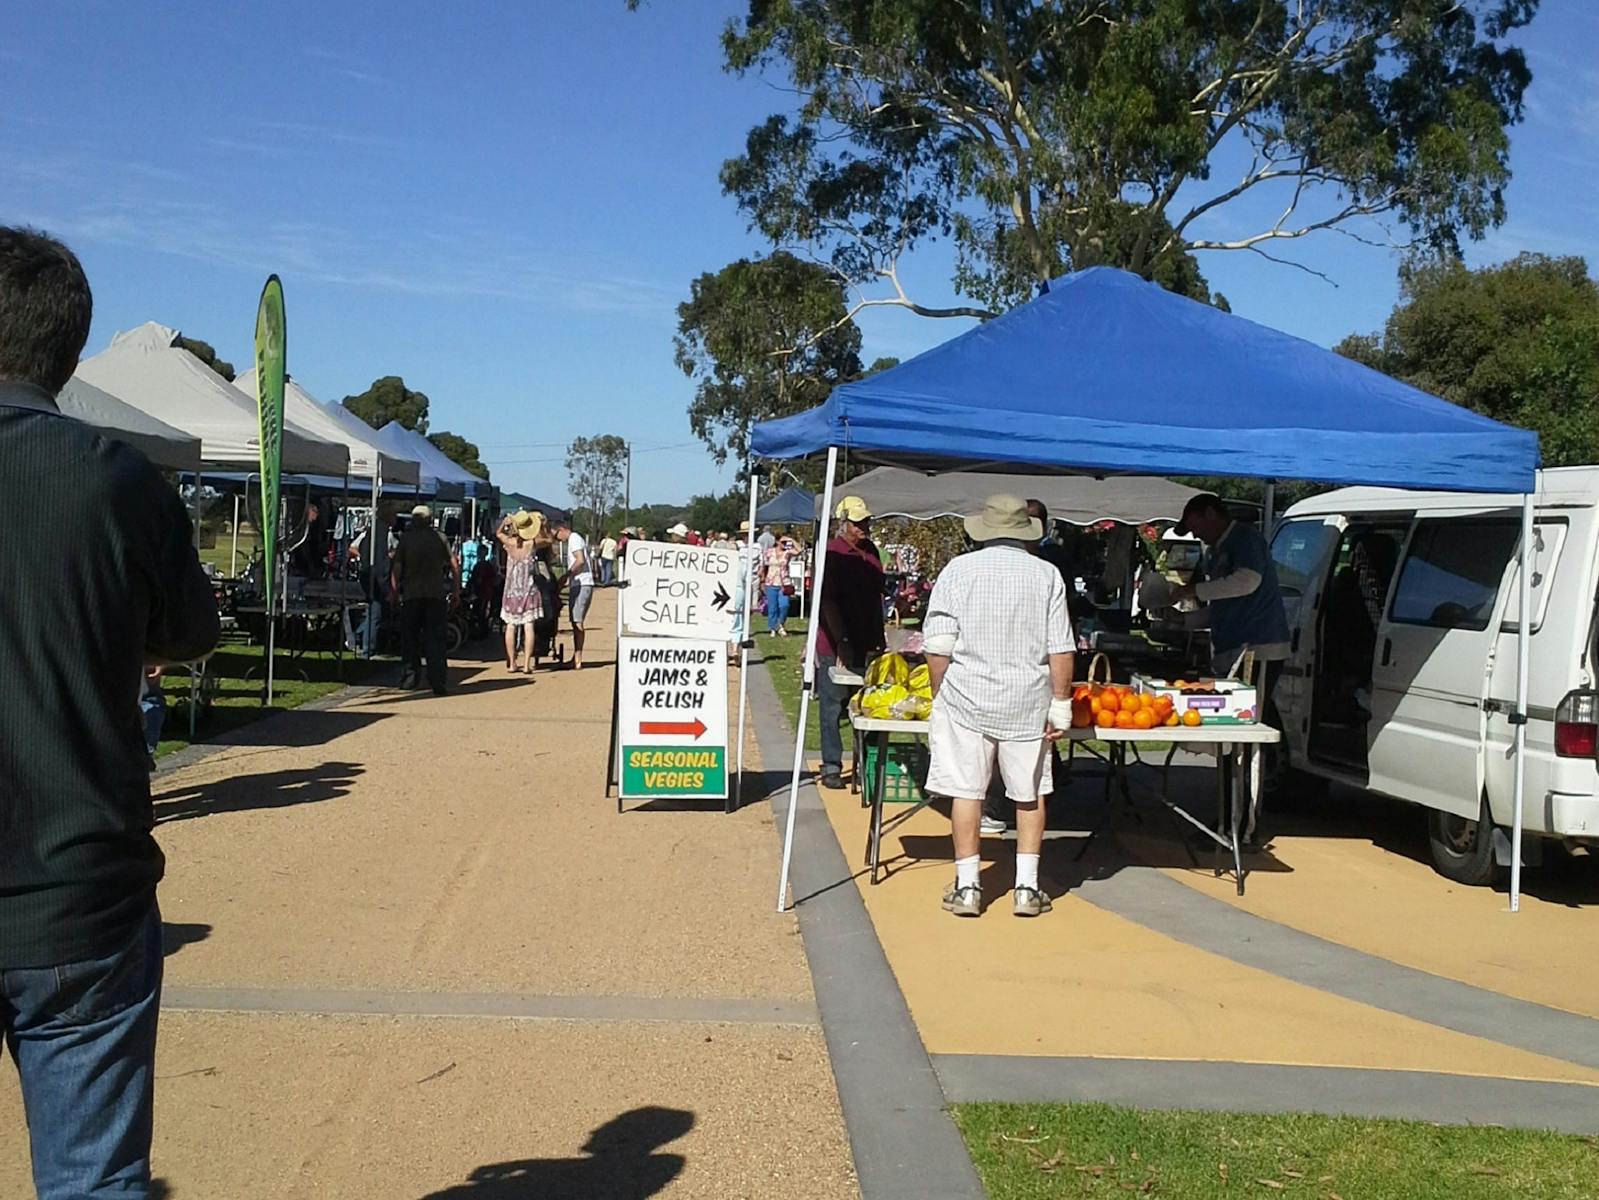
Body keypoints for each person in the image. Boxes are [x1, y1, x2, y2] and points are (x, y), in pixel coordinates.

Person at [0, 226, 221, 1198]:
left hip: (77, 889)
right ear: (70, 352)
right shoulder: (121, 481)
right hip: (81, 891)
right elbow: (191, 634)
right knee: (93, 1181)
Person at [922, 495, 1075, 919]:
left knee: (967, 791)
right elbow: (1061, 647)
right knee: (1029, 794)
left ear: (984, 530)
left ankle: (968, 886)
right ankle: (1026, 888)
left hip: (967, 697)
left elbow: (938, 645)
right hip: (1027, 699)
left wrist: (940, 693)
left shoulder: (958, 570)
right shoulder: (1047, 574)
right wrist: (1061, 703)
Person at [815, 496, 886, 789]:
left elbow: (877, 598)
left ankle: (864, 766)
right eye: (857, 523)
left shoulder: (872, 554)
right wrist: (841, 639)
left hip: (868, 641)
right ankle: (832, 765)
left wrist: (879, 640)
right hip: (835, 643)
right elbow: (827, 601)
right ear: (844, 522)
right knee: (832, 707)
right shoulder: (831, 553)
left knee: (867, 706)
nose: (863, 527)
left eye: (865, 521)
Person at [391, 503, 458, 695]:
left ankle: (410, 679)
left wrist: (394, 591)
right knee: (435, 640)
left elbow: (397, 566)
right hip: (435, 594)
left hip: (412, 594)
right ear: (430, 520)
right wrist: (456, 591)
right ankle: (437, 680)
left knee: (410, 639)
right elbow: (454, 565)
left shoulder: (407, 539)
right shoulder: (440, 538)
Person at [498, 511, 542, 674]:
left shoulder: (509, 543)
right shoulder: (531, 544)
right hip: (528, 588)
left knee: (510, 626)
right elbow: (547, 540)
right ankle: (527, 664)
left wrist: (505, 523)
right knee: (528, 625)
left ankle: (512, 663)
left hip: (511, 589)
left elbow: (498, 533)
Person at [554, 517, 594, 669]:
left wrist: (567, 575)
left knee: (577, 621)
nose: (558, 539)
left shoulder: (574, 539)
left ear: (562, 530)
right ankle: (576, 656)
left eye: (557, 535)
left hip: (582, 583)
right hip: (578, 583)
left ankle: (577, 658)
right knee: (575, 620)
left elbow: (580, 560)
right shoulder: (574, 539)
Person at [762, 532, 796, 637]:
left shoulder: (788, 552)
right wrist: (762, 580)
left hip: (784, 583)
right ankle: (773, 627)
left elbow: (799, 551)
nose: (784, 544)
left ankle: (781, 624)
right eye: (783, 542)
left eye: (786, 542)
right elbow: (764, 566)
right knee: (772, 607)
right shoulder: (769, 552)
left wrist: (792, 540)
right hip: (771, 582)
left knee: (784, 605)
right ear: (777, 541)